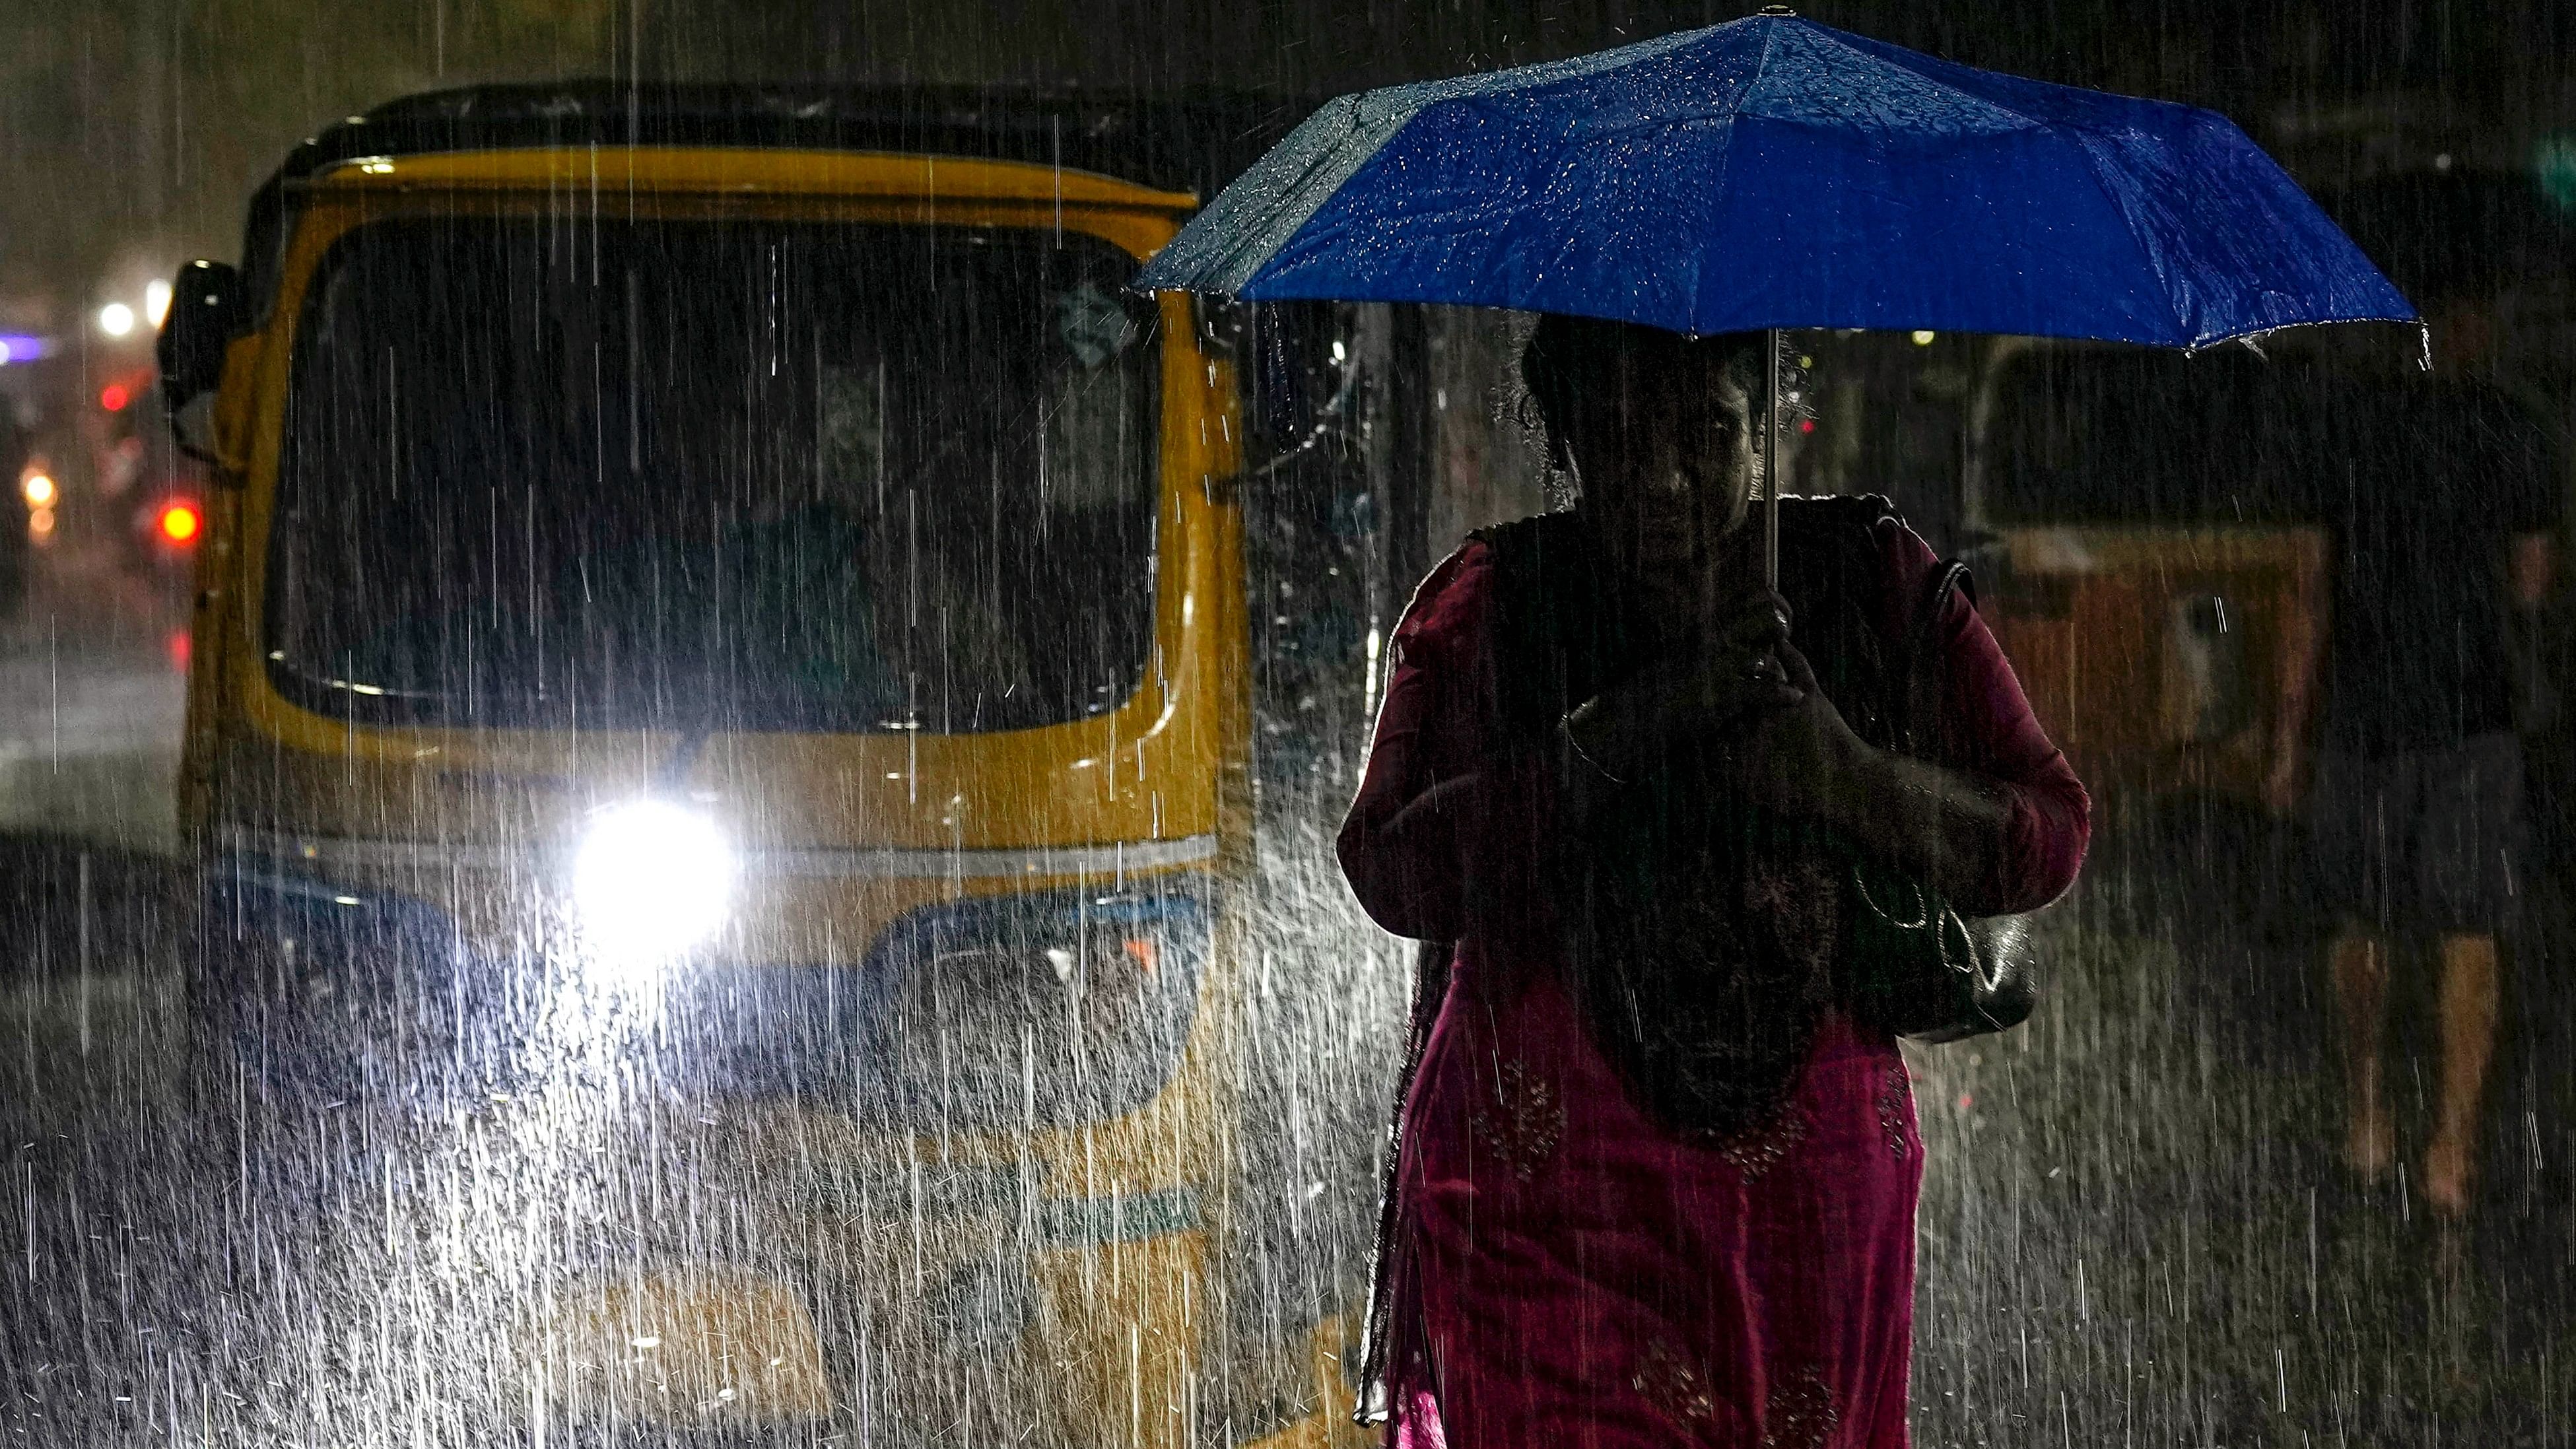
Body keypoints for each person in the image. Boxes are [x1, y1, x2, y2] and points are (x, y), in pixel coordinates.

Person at [1338, 316, 2089, 1449]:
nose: (1666, 479)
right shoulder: (1495, 597)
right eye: (1622, 437)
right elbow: (1391, 867)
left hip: (1803, 1214)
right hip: (1549, 1208)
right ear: (1567, 436)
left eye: (1706, 432)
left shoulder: (1865, 579)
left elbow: (2047, 832)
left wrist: (1848, 779)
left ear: (1763, 428)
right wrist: (1617, 734)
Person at [2310, 370, 2559, 1222]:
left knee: (2365, 917)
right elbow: (2530, 576)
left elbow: (2315, 580)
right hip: (2470, 707)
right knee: (2469, 927)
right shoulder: (2508, 425)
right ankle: (2449, 1148)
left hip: (2366, 709)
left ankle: (2368, 1111)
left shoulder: (2353, 419)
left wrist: (2285, 732)